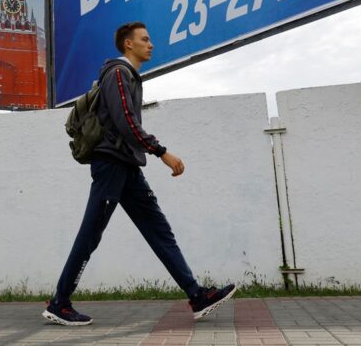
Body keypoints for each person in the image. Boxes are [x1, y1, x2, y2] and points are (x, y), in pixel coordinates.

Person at [42, 21, 235, 326]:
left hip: (127, 166)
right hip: (112, 165)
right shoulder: (118, 73)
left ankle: (197, 296)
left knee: (159, 230)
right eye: (145, 39)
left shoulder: (127, 76)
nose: (151, 44)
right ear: (128, 44)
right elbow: (126, 123)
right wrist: (161, 152)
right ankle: (59, 303)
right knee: (91, 233)